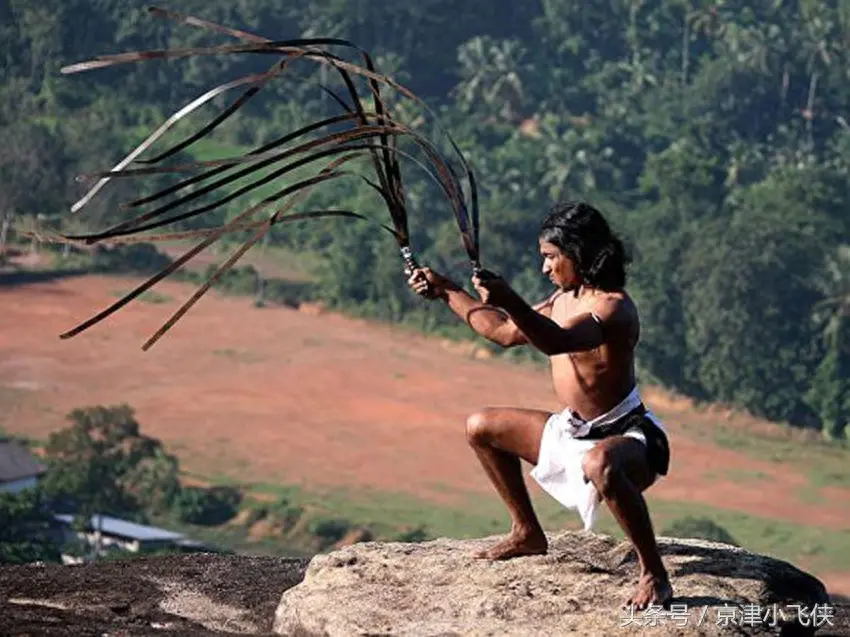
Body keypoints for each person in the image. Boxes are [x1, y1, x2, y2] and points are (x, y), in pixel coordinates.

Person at [407, 201, 672, 609]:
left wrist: (510, 297)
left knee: (600, 464)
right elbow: (499, 329)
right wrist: (446, 290)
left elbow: (556, 340)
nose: (545, 268)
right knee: (480, 426)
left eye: (551, 258)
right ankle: (527, 531)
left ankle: (654, 573)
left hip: (627, 439)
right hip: (574, 432)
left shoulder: (613, 307)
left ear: (578, 254)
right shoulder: (559, 300)